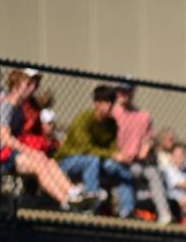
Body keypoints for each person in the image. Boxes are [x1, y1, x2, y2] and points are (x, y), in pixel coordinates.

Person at [0, 69, 93, 210]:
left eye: (35, 84)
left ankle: (73, 192)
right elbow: (5, 138)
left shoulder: (23, 107)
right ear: (17, 83)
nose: (33, 88)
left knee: (49, 161)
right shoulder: (7, 105)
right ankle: (65, 200)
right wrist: (31, 152)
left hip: (17, 152)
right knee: (39, 164)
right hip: (3, 156)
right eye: (29, 83)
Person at [56, 85, 137, 218]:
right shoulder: (83, 118)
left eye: (112, 101)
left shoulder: (111, 123)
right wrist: (111, 154)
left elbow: (112, 148)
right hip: (68, 160)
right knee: (92, 160)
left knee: (120, 168)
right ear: (96, 103)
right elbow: (84, 148)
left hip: (98, 160)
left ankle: (127, 211)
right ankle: (91, 206)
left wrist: (120, 156)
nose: (109, 105)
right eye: (106, 101)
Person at [112, 82, 172, 224]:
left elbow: (150, 138)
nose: (123, 94)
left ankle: (164, 214)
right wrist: (117, 155)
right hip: (117, 163)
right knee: (121, 172)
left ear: (133, 92)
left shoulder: (143, 116)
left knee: (153, 173)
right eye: (120, 90)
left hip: (138, 163)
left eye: (126, 90)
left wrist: (147, 146)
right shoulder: (111, 115)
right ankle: (125, 212)